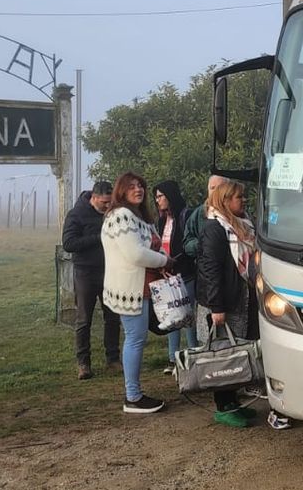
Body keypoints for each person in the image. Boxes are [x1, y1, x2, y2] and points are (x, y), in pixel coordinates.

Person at [194, 179, 272, 428]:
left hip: (242, 297)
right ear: (225, 201)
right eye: (239, 197)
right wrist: (217, 307)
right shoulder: (214, 229)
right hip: (224, 302)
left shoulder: (241, 225)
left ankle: (233, 401)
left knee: (238, 350)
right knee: (224, 352)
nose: (244, 200)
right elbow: (211, 270)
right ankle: (224, 405)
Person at [101, 171, 170, 414]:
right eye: (131, 186)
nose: (138, 189)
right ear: (121, 190)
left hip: (146, 287)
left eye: (140, 185)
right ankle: (133, 396)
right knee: (135, 339)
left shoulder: (140, 217)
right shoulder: (120, 216)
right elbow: (136, 254)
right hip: (131, 289)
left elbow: (151, 244)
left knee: (138, 338)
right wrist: (164, 260)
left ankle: (134, 392)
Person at [61, 179, 120, 379]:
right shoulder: (76, 215)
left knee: (112, 316)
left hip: (109, 271)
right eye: (104, 203)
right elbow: (69, 243)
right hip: (85, 272)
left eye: (110, 202)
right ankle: (83, 363)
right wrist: (99, 238)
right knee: (84, 319)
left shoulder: (112, 213)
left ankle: (113, 359)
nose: (107, 206)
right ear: (93, 198)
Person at [151, 179, 194, 373]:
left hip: (185, 274)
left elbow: (189, 246)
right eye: (156, 196)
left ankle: (193, 356)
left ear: (170, 196)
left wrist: (174, 262)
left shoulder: (186, 216)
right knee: (171, 316)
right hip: (166, 276)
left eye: (160, 196)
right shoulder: (161, 220)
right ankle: (172, 358)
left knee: (188, 316)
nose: (157, 200)